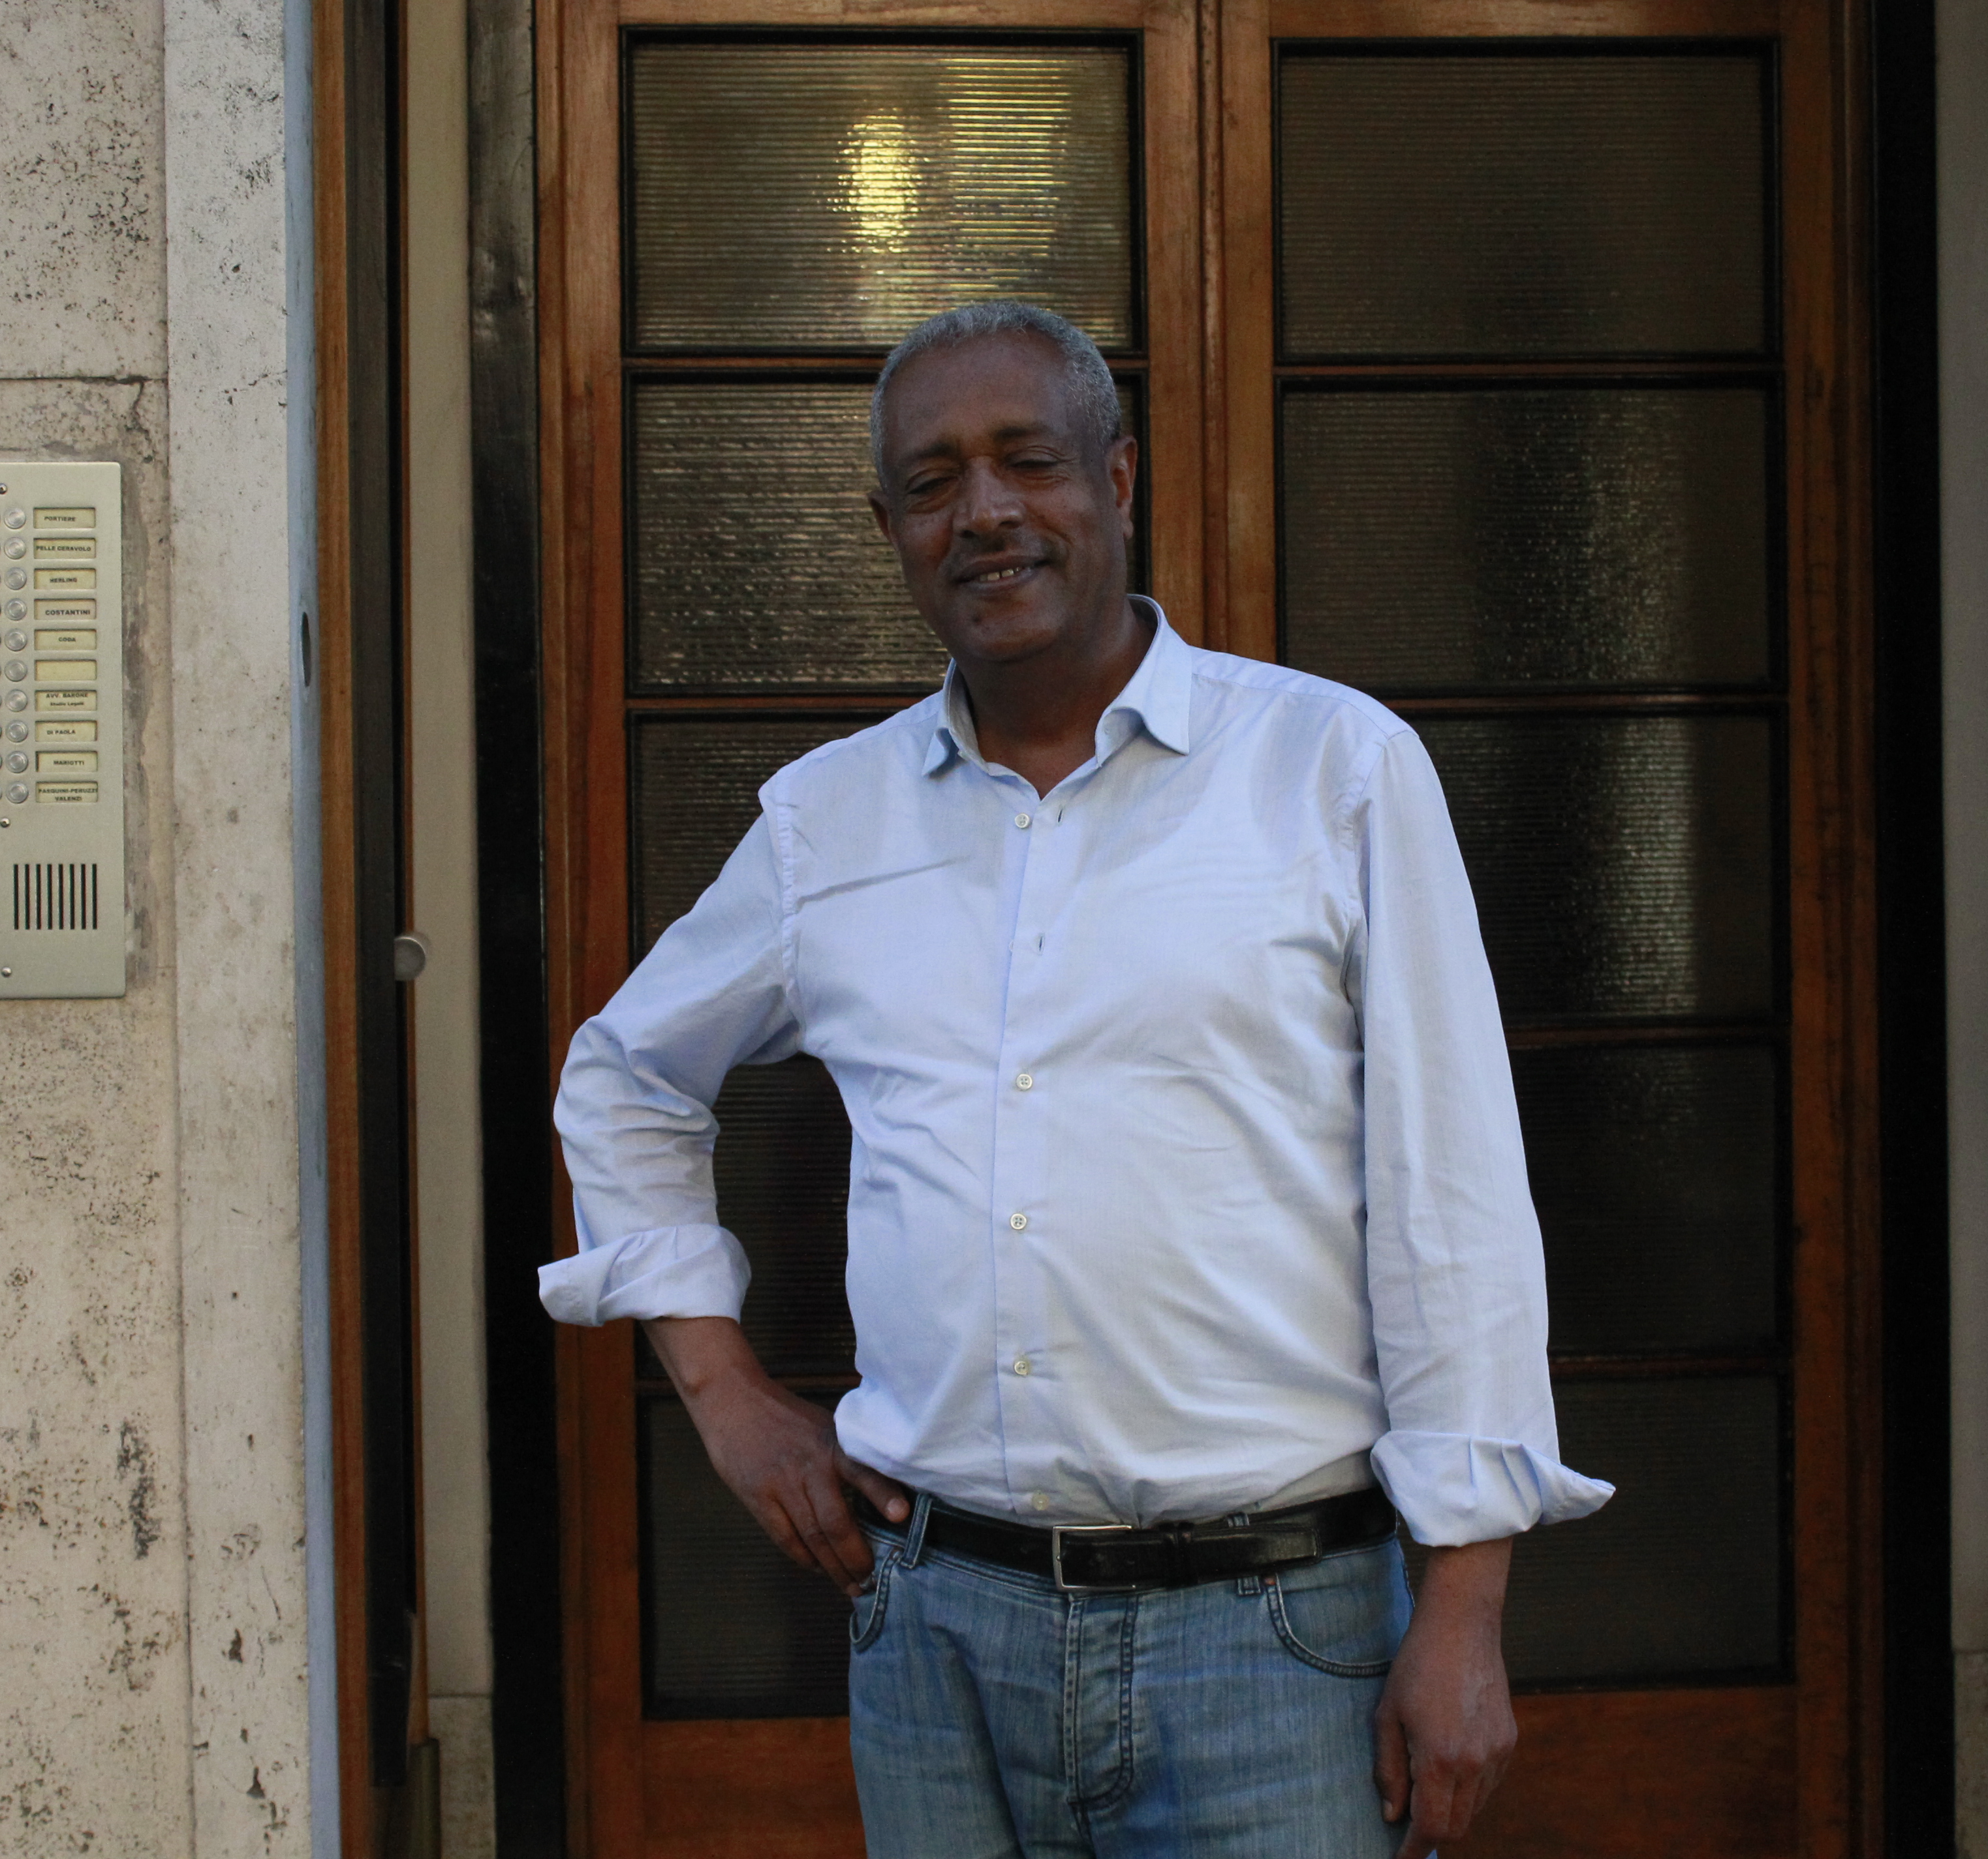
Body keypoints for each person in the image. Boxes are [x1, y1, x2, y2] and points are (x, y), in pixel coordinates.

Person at [541, 299, 1609, 1858]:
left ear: (1117, 477)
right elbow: (625, 1075)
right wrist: (725, 1393)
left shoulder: (1331, 769)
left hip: (1273, 1639)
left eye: (1027, 460)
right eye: (932, 483)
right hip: (933, 1637)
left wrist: (1466, 1602)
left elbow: (1451, 1199)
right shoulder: (828, 824)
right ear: (891, 530)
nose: (984, 511)